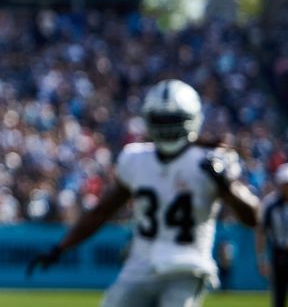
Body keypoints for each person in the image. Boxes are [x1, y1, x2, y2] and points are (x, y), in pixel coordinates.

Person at [28, 79, 261, 306]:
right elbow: (102, 211)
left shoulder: (212, 160)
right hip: (140, 265)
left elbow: (253, 217)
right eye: (161, 119)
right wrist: (61, 247)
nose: (167, 126)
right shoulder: (136, 158)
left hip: (187, 267)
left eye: (173, 120)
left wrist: (227, 185)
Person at [259, 164, 288, 307]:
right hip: (279, 252)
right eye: (284, 184)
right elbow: (261, 232)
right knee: (279, 295)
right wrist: (262, 258)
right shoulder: (270, 204)